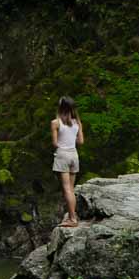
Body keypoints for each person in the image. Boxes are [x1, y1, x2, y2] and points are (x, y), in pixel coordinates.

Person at [51, 96, 83, 228]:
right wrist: (71, 139)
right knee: (71, 188)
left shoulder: (56, 122)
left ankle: (73, 219)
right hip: (74, 155)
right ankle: (72, 216)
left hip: (62, 155)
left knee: (66, 189)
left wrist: (62, 141)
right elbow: (80, 142)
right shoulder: (77, 122)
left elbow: (54, 143)